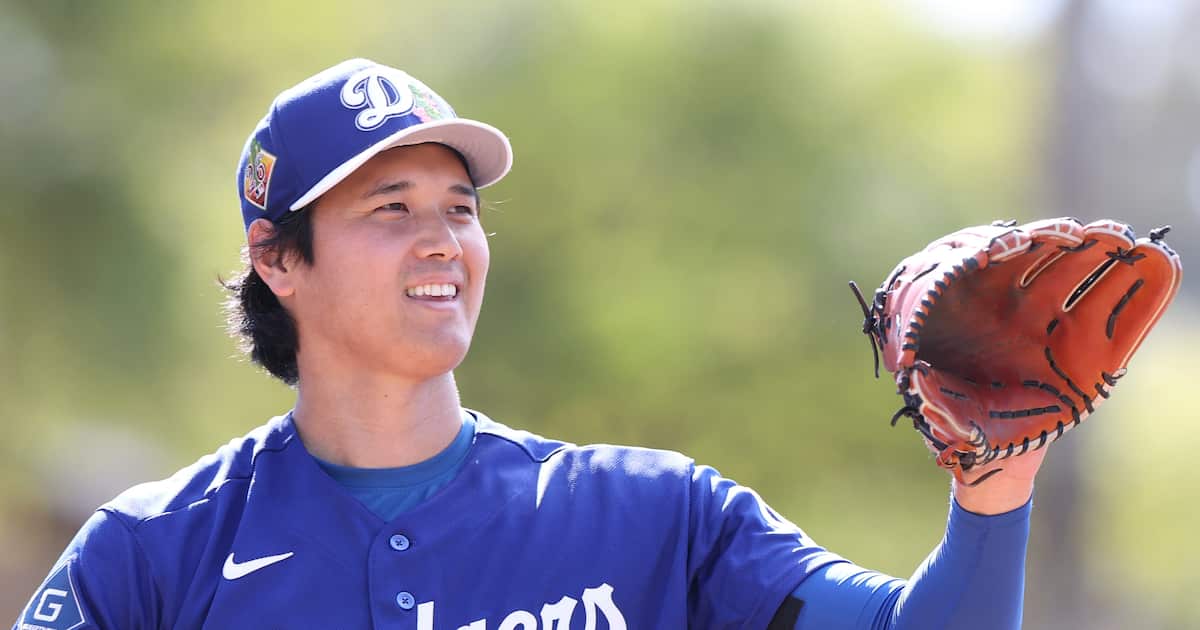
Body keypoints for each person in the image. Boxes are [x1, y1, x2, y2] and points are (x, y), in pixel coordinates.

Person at [14, 58, 1044, 630]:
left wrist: (995, 491)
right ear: (278, 258)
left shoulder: (654, 516)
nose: (442, 240)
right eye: (391, 207)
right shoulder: (153, 554)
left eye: (460, 209)